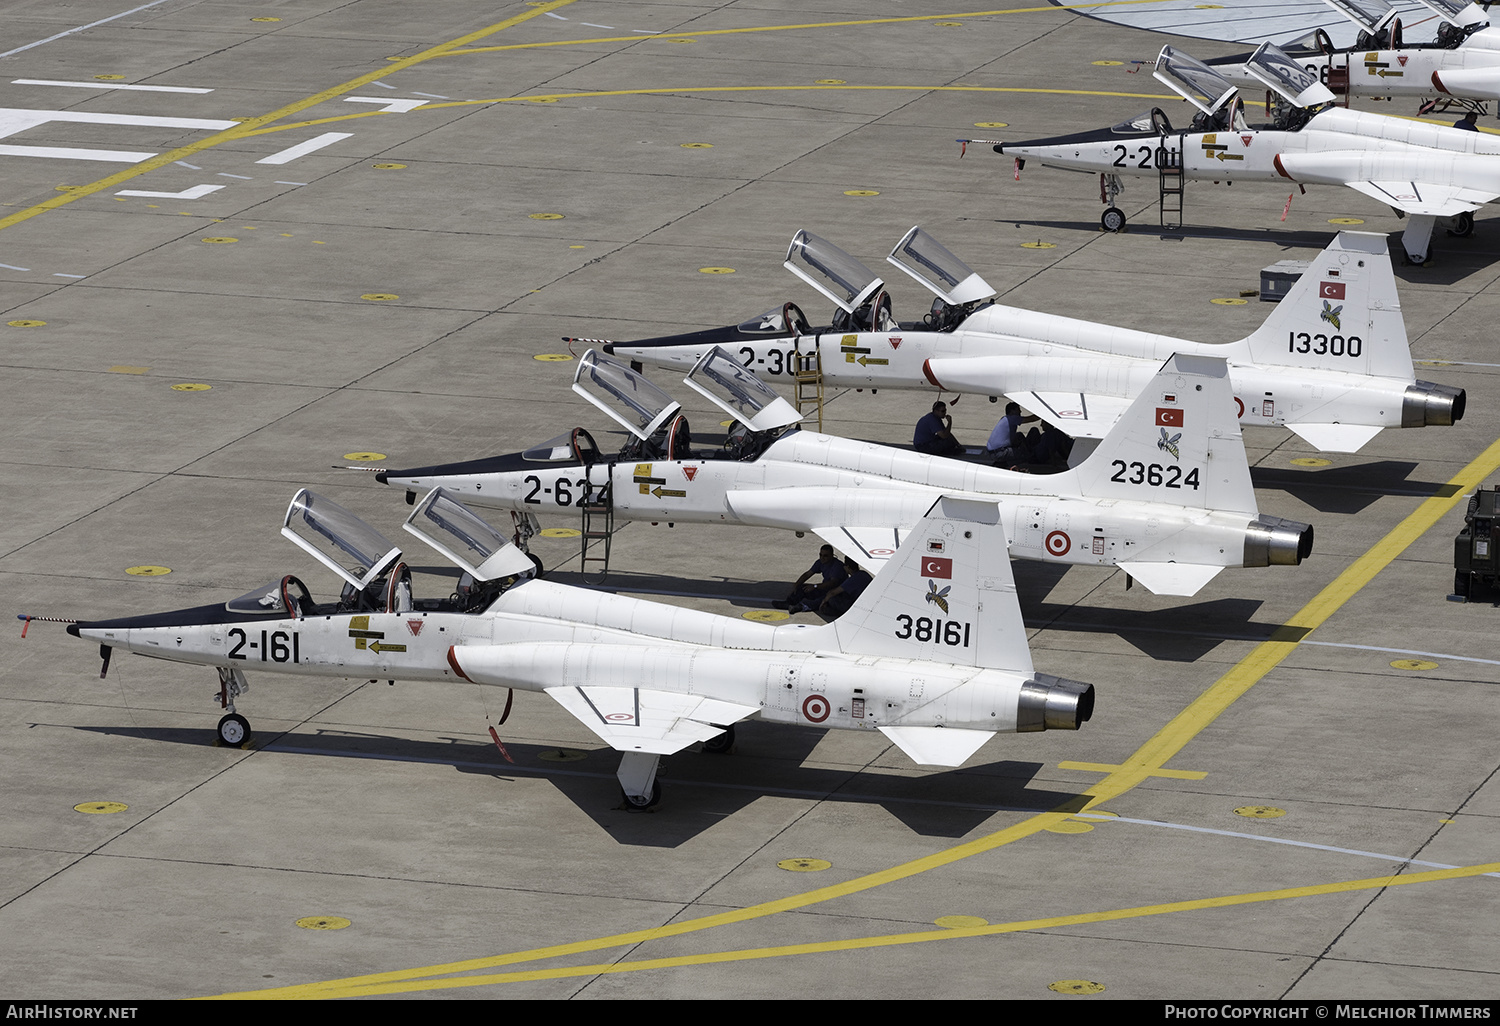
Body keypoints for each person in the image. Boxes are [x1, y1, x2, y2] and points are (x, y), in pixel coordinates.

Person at [987, 402, 1069, 467]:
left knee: (1020, 435)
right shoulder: (1013, 418)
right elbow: (1032, 418)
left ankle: (1025, 452)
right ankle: (1004, 464)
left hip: (993, 452)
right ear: (1012, 411)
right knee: (1024, 455)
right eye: (1018, 409)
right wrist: (1045, 411)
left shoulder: (1005, 418)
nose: (1020, 411)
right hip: (999, 453)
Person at [774, 544, 848, 611]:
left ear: (832, 555)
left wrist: (815, 586)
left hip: (836, 592)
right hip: (824, 589)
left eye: (825, 556)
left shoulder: (837, 566)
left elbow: (833, 583)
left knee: (823, 599)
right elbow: (807, 574)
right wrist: (796, 585)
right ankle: (789, 602)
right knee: (803, 588)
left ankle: (801, 607)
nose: (822, 558)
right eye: (821, 555)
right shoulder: (820, 562)